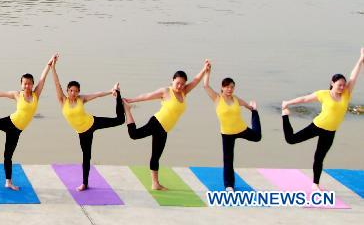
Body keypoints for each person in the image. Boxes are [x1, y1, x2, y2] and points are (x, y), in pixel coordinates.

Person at [281, 48, 363, 189]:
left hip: (330, 132)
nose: (342, 87)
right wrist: (288, 103)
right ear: (332, 83)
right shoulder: (323, 94)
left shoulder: (346, 94)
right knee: (291, 140)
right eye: (339, 85)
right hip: (317, 126)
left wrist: (361, 59)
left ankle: (315, 185)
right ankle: (285, 116)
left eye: (343, 85)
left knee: (319, 158)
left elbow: (353, 76)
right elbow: (305, 99)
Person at [0, 55, 54, 191]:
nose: (27, 85)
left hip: (17, 131)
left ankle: (8, 182)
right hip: (9, 122)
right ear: (21, 84)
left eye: (29, 83)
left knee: (8, 156)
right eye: (24, 83)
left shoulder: (35, 95)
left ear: (32, 84)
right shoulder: (17, 94)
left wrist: (50, 63)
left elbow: (43, 78)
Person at [123, 60, 208, 190]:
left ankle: (155, 183)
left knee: (156, 156)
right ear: (172, 80)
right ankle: (127, 109)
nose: (179, 86)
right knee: (134, 135)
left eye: (182, 84)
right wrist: (131, 100)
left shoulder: (184, 93)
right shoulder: (166, 91)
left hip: (165, 129)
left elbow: (196, 81)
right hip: (157, 122)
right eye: (177, 82)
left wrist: (204, 69)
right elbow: (147, 96)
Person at [49, 54, 123, 191]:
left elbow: (97, 94)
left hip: (93, 122)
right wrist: (53, 67)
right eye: (71, 90)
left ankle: (119, 96)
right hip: (83, 133)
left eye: (76, 91)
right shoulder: (62, 100)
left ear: (78, 92)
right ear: (67, 91)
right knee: (86, 157)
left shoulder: (81, 99)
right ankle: (85, 183)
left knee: (120, 120)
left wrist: (110, 91)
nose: (73, 93)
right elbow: (56, 83)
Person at [200, 64, 261, 191]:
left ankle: (256, 114)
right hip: (227, 134)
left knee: (257, 137)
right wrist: (207, 71)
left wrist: (252, 108)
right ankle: (229, 185)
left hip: (241, 129)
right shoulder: (217, 98)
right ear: (222, 88)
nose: (230, 89)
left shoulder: (236, 99)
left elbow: (245, 105)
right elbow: (205, 86)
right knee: (228, 160)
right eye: (227, 87)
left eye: (232, 87)